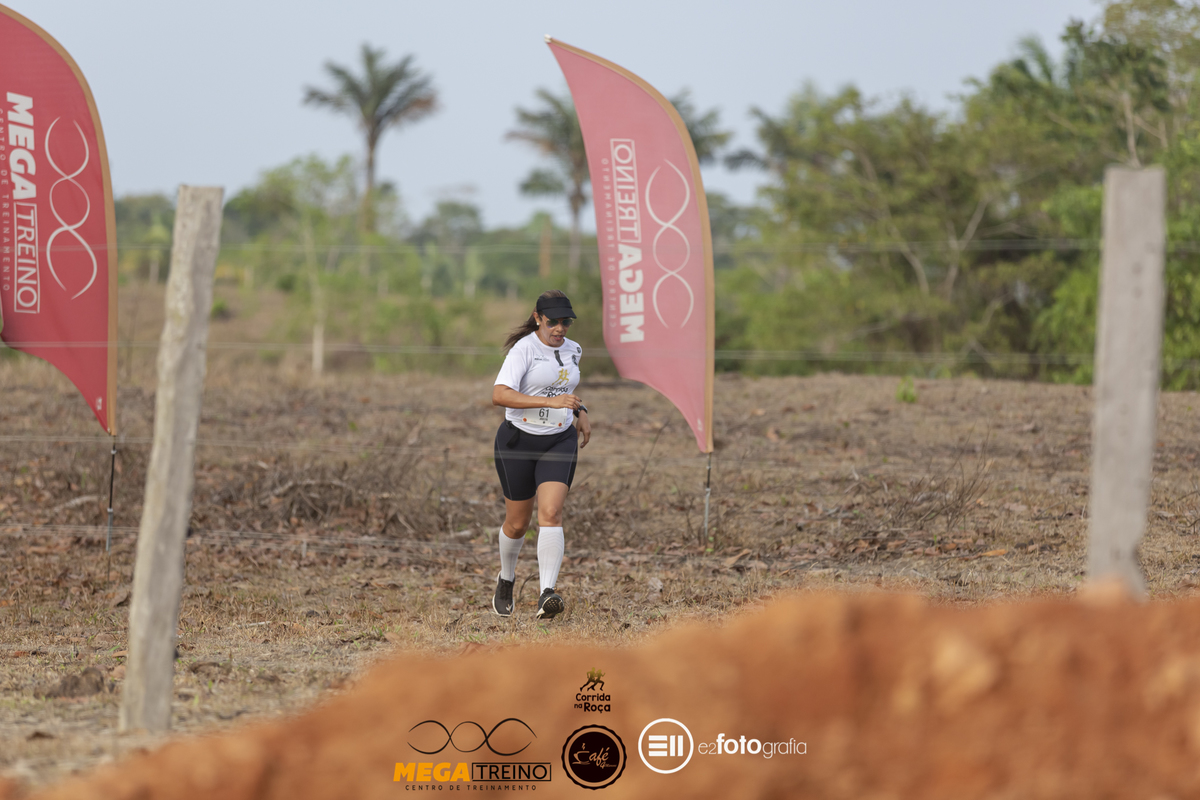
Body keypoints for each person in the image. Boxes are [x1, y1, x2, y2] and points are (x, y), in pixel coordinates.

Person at [490, 290, 590, 619]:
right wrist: (550, 403)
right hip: (518, 441)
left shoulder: (574, 350)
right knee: (517, 524)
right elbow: (500, 395)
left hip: (559, 440)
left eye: (567, 321)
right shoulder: (524, 350)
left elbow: (564, 388)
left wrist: (580, 411)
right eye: (553, 322)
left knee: (551, 512)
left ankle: (547, 594)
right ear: (538, 318)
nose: (560, 328)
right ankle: (507, 578)